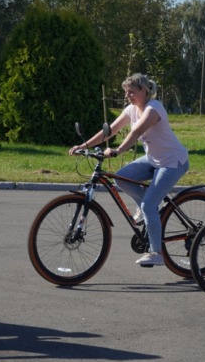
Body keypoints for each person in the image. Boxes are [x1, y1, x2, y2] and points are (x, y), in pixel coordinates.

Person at [69, 74, 189, 266]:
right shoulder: (131, 110)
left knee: (149, 205)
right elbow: (110, 131)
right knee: (121, 177)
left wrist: (118, 150)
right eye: (126, 92)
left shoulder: (153, 108)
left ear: (144, 91)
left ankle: (156, 253)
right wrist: (84, 146)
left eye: (131, 92)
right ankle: (147, 210)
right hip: (153, 159)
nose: (127, 96)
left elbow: (136, 132)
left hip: (172, 162)